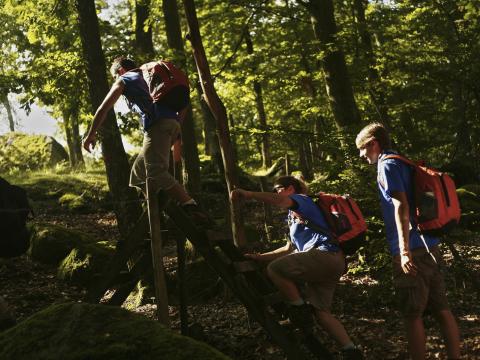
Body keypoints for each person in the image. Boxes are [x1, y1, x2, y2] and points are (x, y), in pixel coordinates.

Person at [355, 123, 460, 360]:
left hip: (411, 250)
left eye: (362, 149)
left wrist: (403, 251)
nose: (361, 155)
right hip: (430, 245)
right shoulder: (403, 162)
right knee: (442, 309)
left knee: (412, 314)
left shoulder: (387, 165)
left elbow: (401, 205)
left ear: (373, 143)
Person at [230, 176, 363, 360]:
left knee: (275, 270)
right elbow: (288, 249)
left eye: (278, 188)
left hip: (324, 256)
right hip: (333, 261)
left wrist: (249, 193)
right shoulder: (294, 216)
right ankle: (351, 351)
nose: (276, 192)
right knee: (322, 312)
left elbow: (279, 200)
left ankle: (299, 311)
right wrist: (260, 257)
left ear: (290, 188)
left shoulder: (302, 200)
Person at [83, 56, 201, 215]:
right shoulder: (150, 78)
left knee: (156, 170)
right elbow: (185, 102)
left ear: (120, 71)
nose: (115, 80)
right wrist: (177, 124)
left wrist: (91, 134)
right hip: (171, 124)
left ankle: (191, 207)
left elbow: (103, 108)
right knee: (138, 173)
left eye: (114, 76)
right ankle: (158, 209)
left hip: (158, 126)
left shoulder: (125, 78)